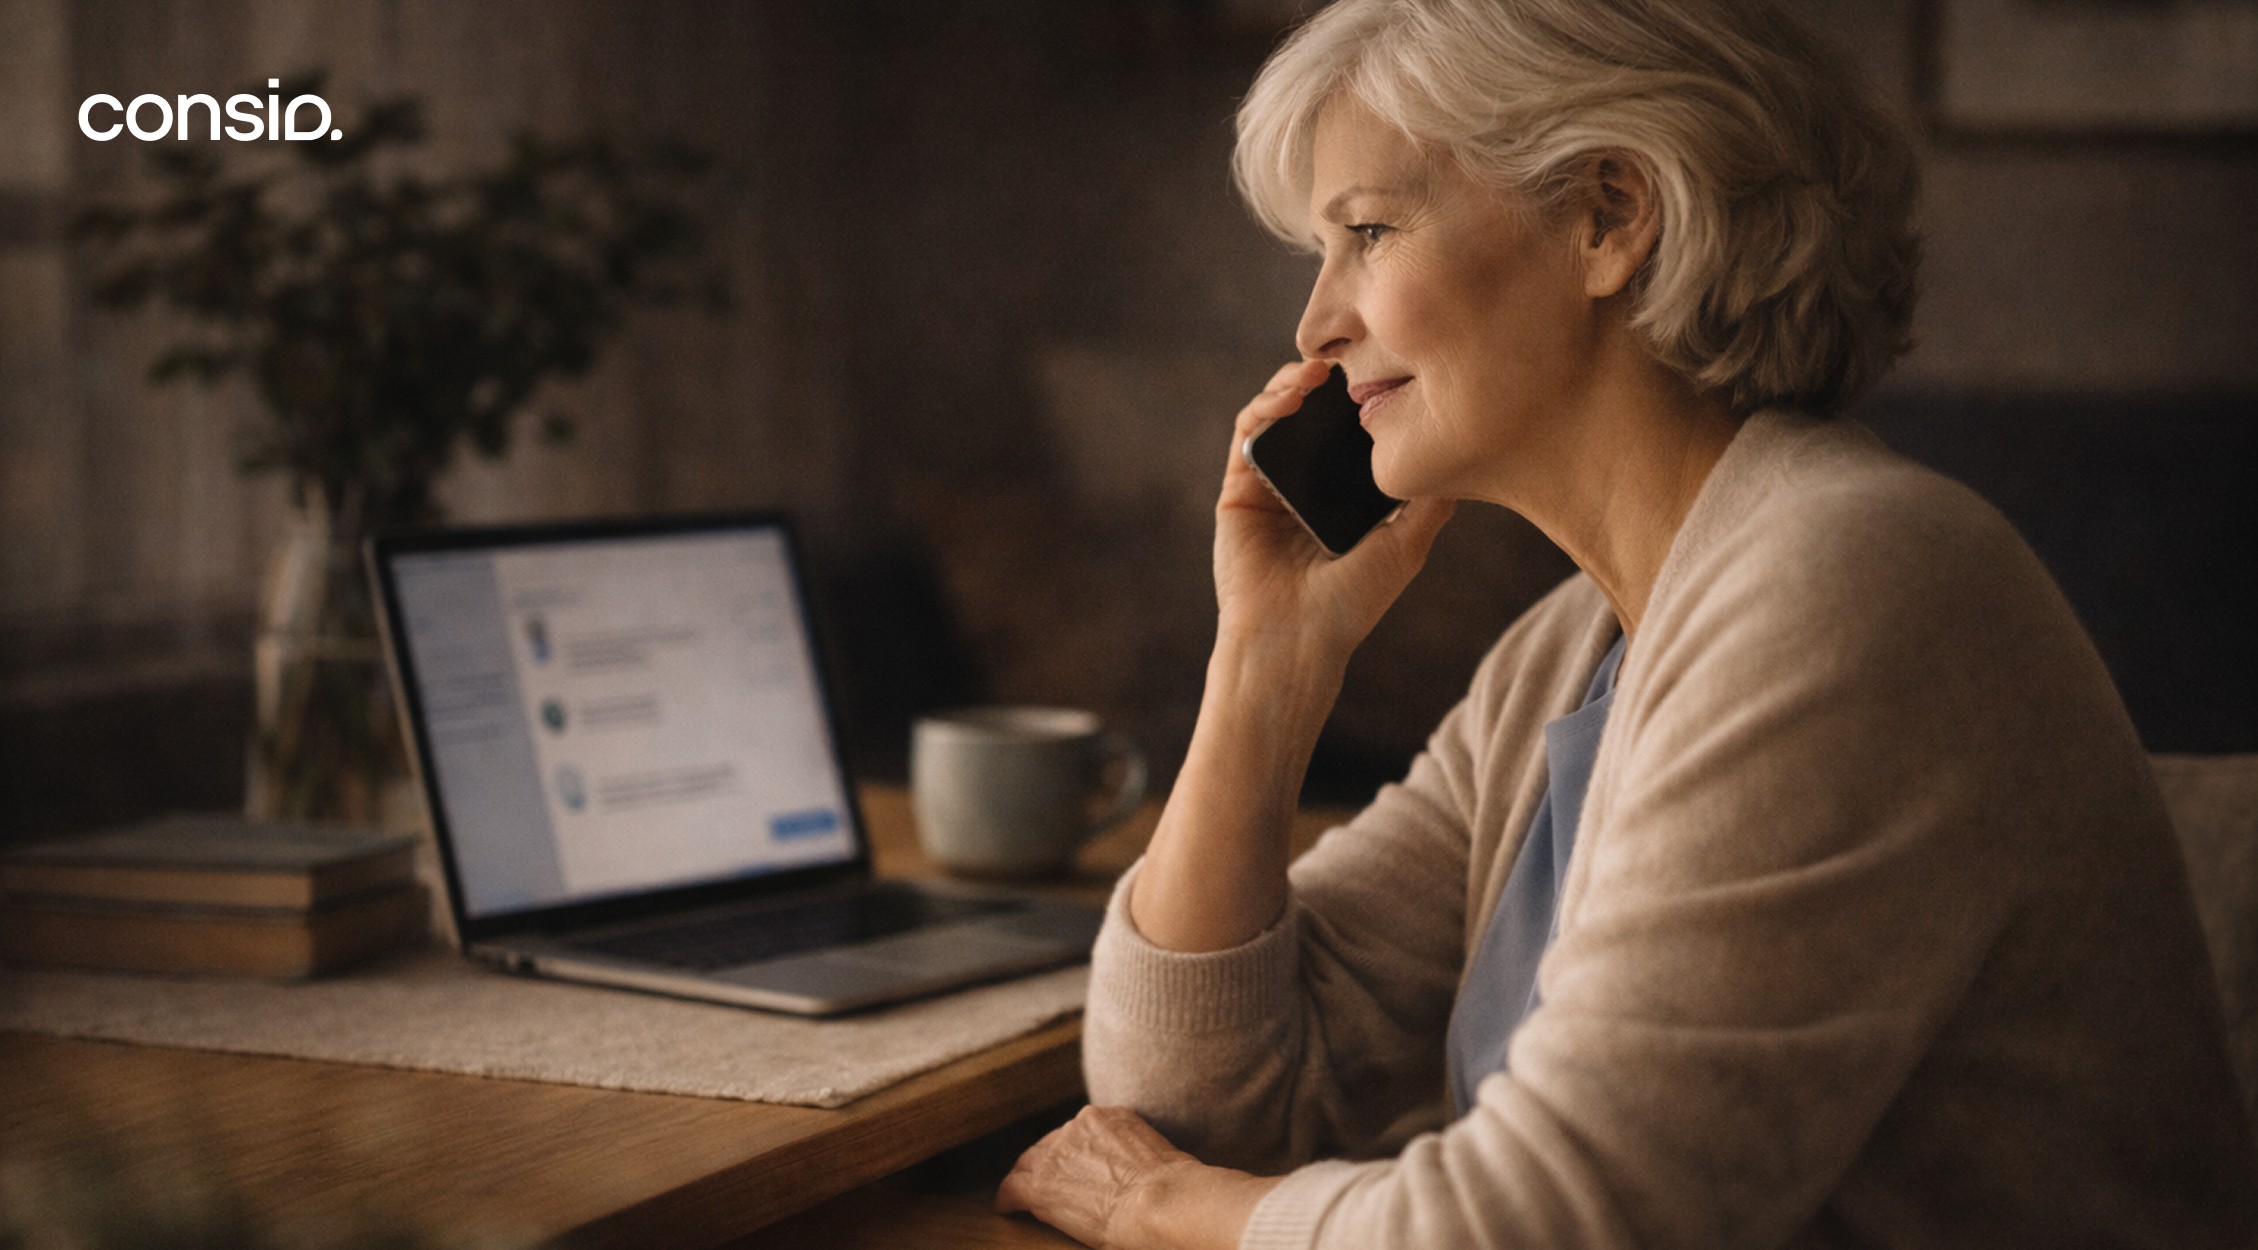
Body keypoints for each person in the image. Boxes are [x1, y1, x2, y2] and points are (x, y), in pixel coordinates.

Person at [994, 0, 2258, 1246]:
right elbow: (1195, 1098)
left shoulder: (1853, 581)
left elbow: (1544, 1225)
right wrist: (1265, 662)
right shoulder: (1570, 649)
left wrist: (1162, 1207)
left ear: (1608, 217)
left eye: (1368, 230)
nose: (1315, 324)